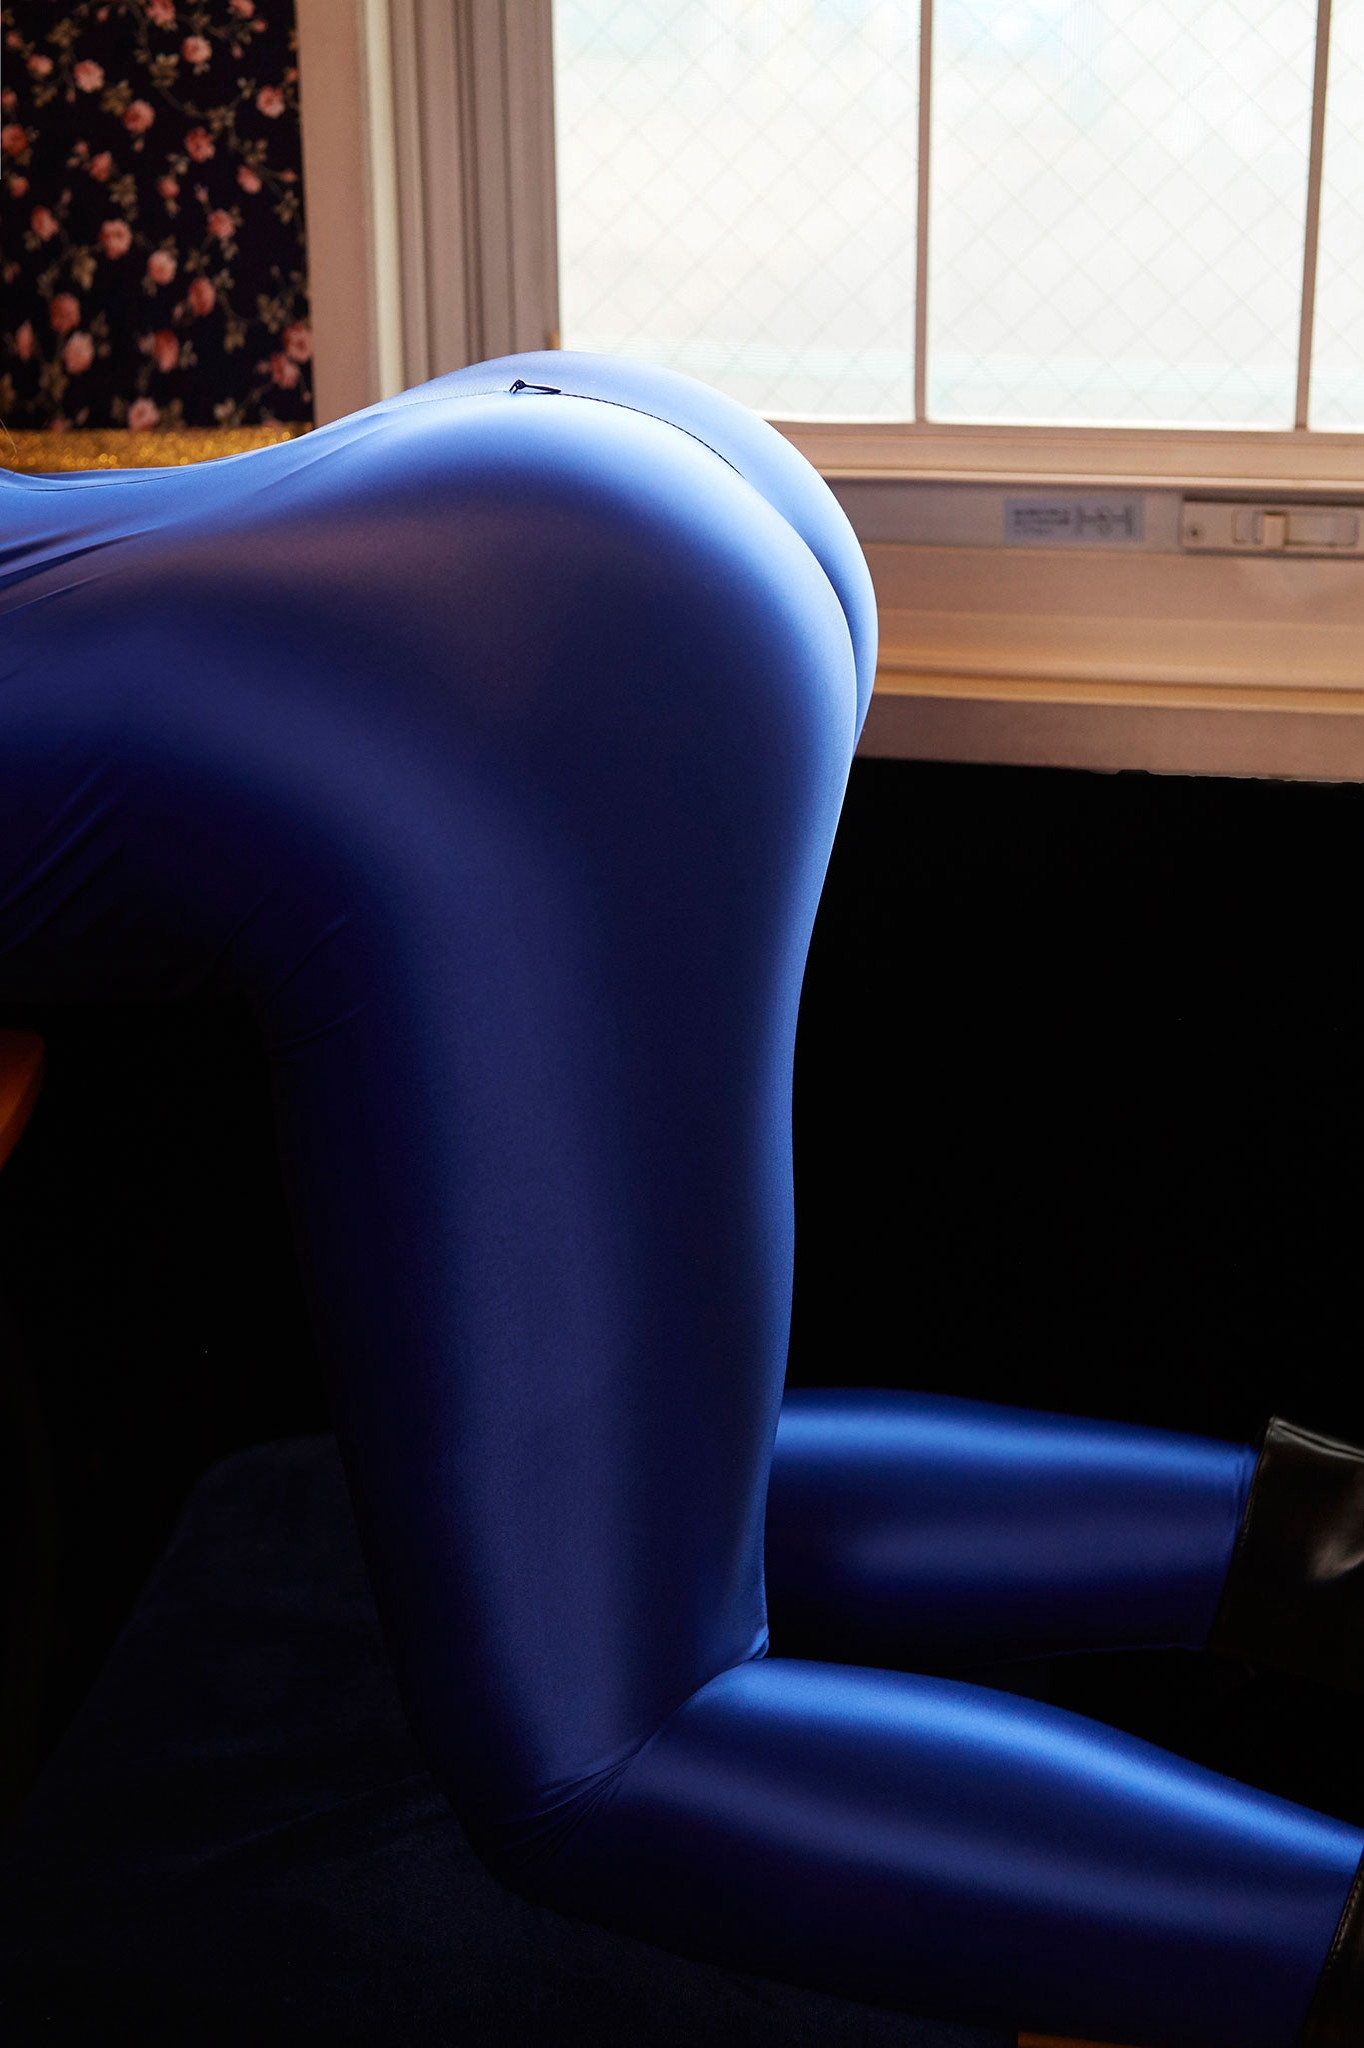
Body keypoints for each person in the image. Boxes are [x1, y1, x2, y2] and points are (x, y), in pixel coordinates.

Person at [1, 352, 1361, 2047]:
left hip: (495, 683)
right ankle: (1338, 1548)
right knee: (644, 1506)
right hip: (619, 479)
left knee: (606, 1755)